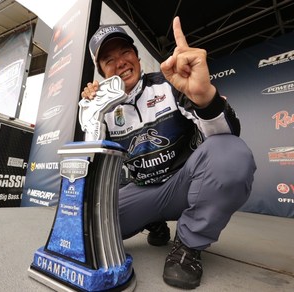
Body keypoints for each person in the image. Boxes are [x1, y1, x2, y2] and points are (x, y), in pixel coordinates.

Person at [81, 17, 257, 289]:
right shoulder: (103, 110)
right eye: (108, 59)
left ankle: (188, 246)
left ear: (137, 57)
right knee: (89, 225)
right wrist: (91, 113)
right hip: (142, 191)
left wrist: (205, 98)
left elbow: (227, 137)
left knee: (232, 155)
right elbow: (95, 166)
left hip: (185, 185)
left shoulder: (169, 83)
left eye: (125, 52)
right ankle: (153, 221)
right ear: (102, 73)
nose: (120, 62)